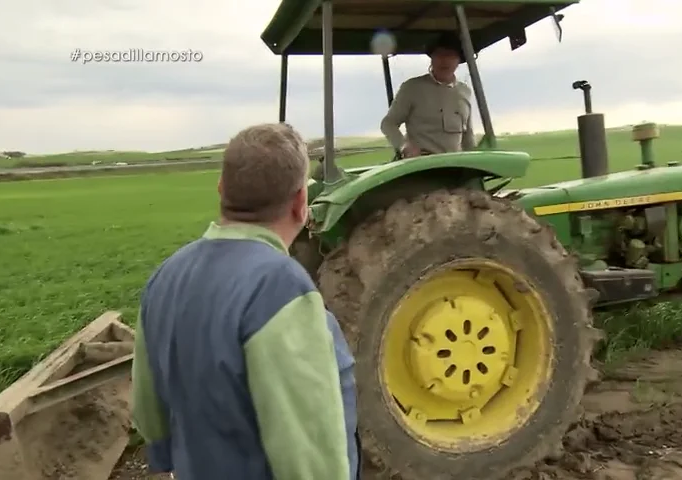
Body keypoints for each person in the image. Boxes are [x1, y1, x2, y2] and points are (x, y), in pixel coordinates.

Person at [130, 123, 360, 480]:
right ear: (302, 203)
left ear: (221, 189)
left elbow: (148, 410)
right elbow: (309, 451)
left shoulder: (165, 276)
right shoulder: (280, 289)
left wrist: (165, 458)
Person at [380, 32, 476, 158]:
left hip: (454, 166)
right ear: (432, 58)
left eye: (450, 56)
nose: (445, 61)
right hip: (421, 166)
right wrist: (405, 146)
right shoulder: (412, 88)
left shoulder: (465, 92)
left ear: (458, 60)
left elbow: (467, 136)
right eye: (439, 55)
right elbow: (388, 124)